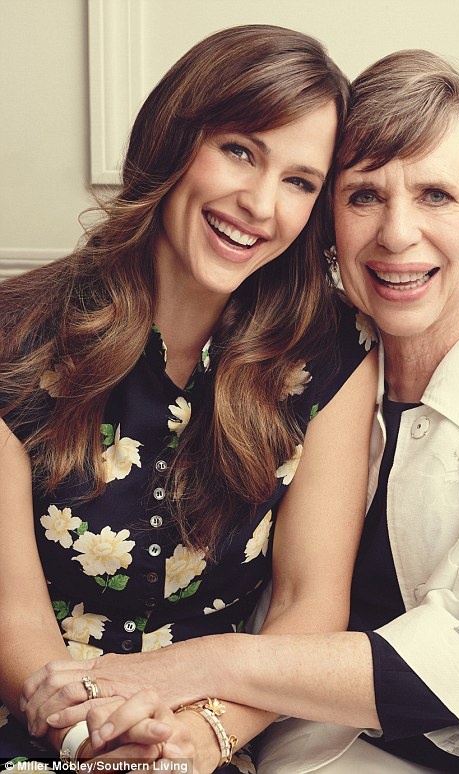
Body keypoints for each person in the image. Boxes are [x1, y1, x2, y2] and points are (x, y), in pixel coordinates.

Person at [22, 49, 459, 774]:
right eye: (364, 195)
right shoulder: (315, 347)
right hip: (319, 740)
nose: (396, 233)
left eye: (437, 195)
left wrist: (185, 672)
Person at [0, 24, 378, 770]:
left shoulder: (332, 356)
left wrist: (203, 736)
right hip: (36, 724)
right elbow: (14, 617)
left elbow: (308, 608)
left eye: (300, 182)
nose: (260, 204)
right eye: (240, 150)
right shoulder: (14, 340)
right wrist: (90, 732)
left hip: (202, 738)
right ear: (175, 138)